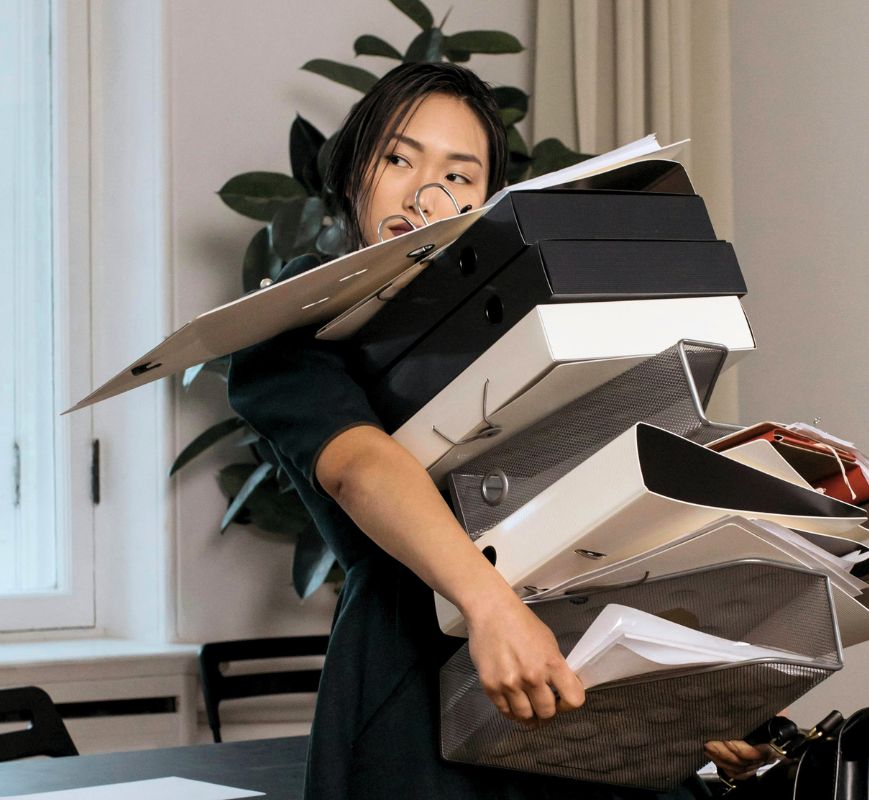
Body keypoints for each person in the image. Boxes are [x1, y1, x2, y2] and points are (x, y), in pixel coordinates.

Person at [228, 61, 776, 799]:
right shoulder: (297, 324)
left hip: (577, 660)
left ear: (489, 200)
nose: (427, 191)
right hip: (414, 680)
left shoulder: (536, 320)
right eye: (397, 157)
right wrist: (490, 606)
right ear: (356, 174)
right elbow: (360, 466)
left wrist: (684, 690)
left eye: (460, 176)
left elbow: (615, 498)